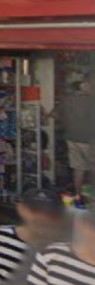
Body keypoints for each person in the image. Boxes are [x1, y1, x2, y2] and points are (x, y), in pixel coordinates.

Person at [48, 73, 94, 201]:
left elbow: (53, 115)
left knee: (78, 168)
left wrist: (67, 121)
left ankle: (78, 194)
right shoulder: (91, 100)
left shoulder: (67, 99)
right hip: (89, 139)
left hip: (72, 138)